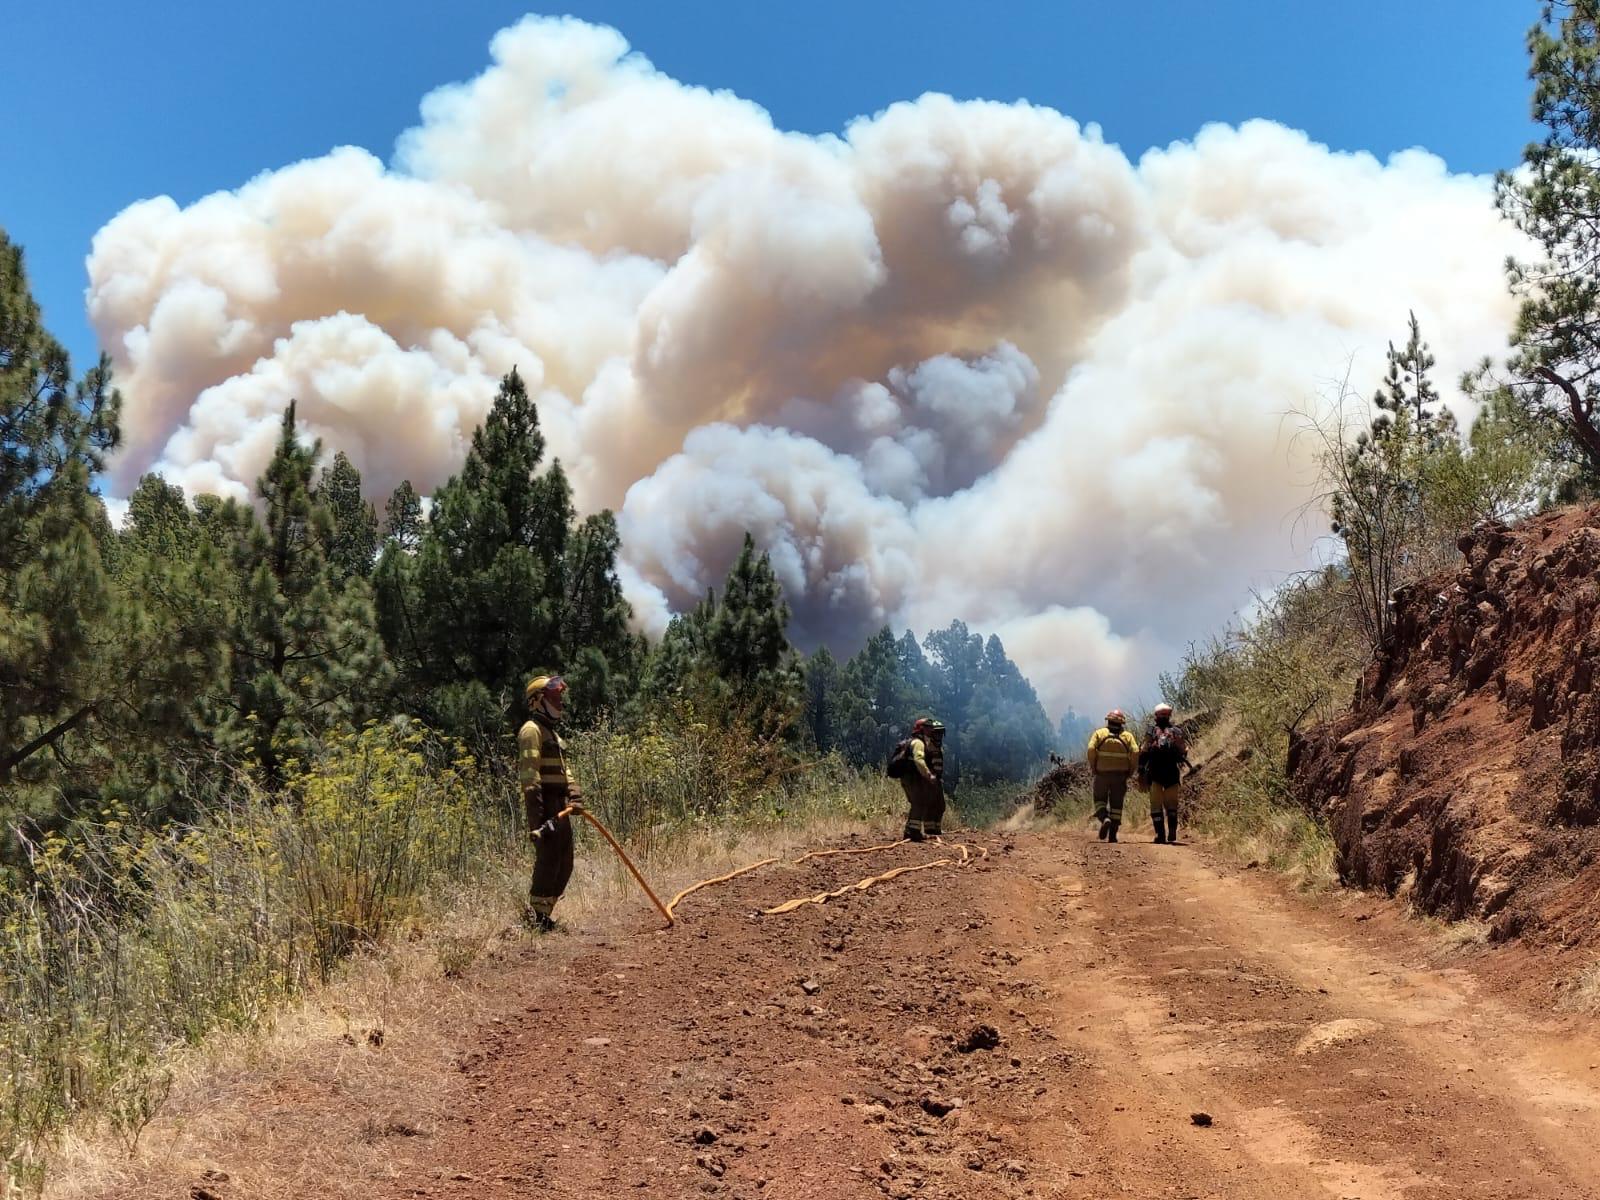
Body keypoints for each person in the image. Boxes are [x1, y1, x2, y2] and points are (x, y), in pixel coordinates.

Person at [518, 673, 582, 930]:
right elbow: (530, 777)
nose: (561, 703)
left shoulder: (552, 735)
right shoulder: (531, 731)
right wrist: (539, 818)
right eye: (555, 698)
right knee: (548, 860)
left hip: (561, 806)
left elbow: (564, 770)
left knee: (564, 862)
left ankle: (545, 914)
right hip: (547, 806)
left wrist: (574, 792)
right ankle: (538, 920)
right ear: (538, 701)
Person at [1140, 702, 1190, 844]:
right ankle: (1172, 832)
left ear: (1156, 716)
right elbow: (1183, 750)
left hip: (1155, 773)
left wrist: (1141, 769)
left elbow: (1144, 750)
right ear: (1169, 715)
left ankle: (1160, 835)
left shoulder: (1151, 731)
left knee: (1156, 806)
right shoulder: (1176, 731)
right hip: (1172, 773)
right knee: (1172, 805)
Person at [1086, 710, 1139, 842]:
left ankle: (1105, 818)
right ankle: (1113, 836)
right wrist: (1131, 771)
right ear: (1122, 723)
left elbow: (1091, 749)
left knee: (1099, 800)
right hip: (1120, 776)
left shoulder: (1099, 733)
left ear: (1108, 721)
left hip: (1102, 774)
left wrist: (1093, 767)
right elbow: (1136, 752)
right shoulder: (1127, 736)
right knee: (1117, 805)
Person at [899, 716, 946, 842]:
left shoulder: (922, 743)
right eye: (928, 729)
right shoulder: (919, 743)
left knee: (923, 804)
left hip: (914, 779)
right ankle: (912, 832)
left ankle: (915, 830)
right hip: (914, 779)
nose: (931, 732)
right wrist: (929, 775)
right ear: (921, 730)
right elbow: (919, 760)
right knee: (919, 803)